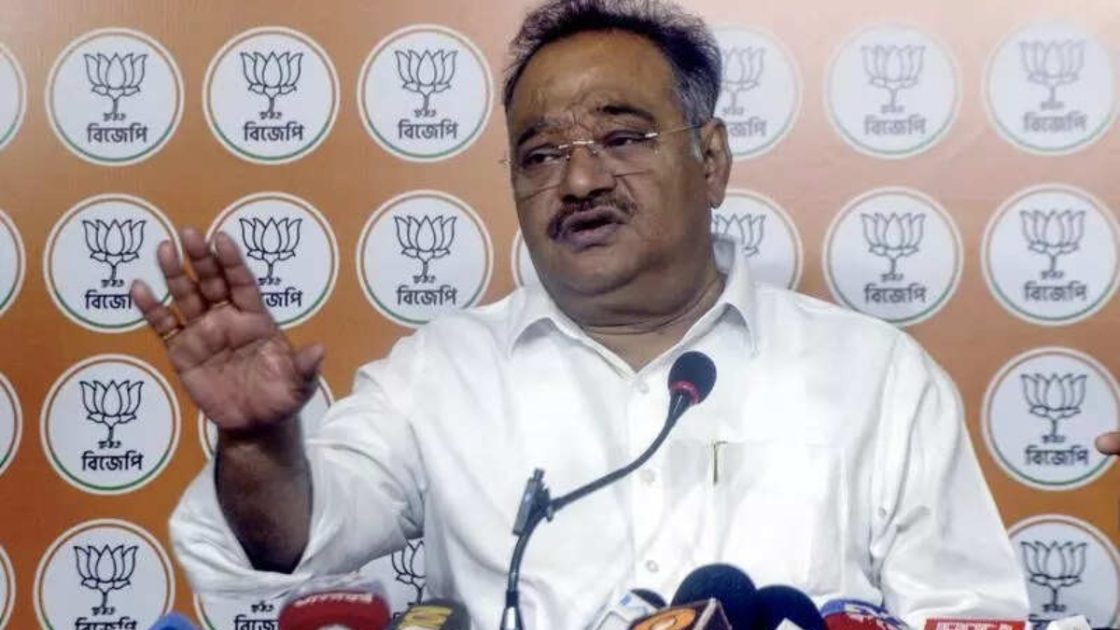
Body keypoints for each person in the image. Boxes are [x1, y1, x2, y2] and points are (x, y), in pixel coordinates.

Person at [133, 0, 1029, 627]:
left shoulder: (873, 374)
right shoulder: (442, 372)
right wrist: (257, 444)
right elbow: (299, 542)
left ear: (712, 160)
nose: (581, 179)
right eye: (540, 154)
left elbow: (966, 614)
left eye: (623, 137)